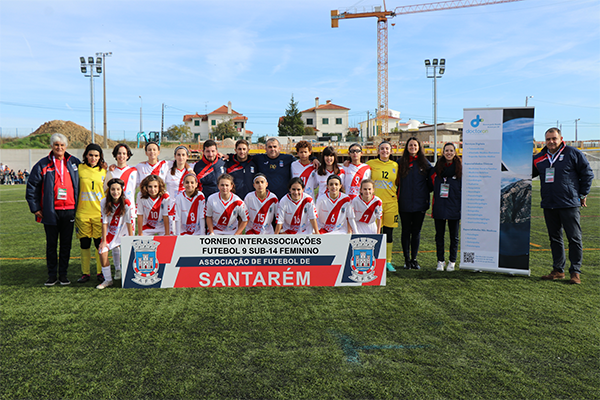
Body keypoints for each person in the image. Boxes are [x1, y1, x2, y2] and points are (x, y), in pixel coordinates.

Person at [534, 127, 594, 284]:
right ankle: (558, 270)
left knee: (574, 238)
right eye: (548, 139)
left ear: (561, 139)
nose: (551, 142)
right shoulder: (539, 157)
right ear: (544, 141)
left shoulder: (573, 153)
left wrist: (582, 194)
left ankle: (575, 272)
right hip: (549, 203)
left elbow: (587, 173)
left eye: (554, 138)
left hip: (569, 203)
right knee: (555, 238)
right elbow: (525, 172)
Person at [26, 133, 80, 286]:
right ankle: (51, 275)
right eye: (56, 145)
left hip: (69, 210)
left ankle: (63, 275)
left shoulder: (74, 162)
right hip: (50, 211)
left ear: (66, 146)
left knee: (66, 244)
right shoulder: (43, 164)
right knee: (51, 245)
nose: (59, 147)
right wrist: (35, 208)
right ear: (51, 146)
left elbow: (90, 171)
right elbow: (32, 187)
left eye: (62, 145)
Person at [396, 137, 432, 270]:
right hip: (404, 203)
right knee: (406, 231)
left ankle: (414, 259)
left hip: (420, 203)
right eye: (410, 145)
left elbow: (433, 179)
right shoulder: (400, 162)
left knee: (416, 232)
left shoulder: (425, 163)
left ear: (419, 147)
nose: (413, 147)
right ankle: (406, 260)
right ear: (407, 147)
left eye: (415, 145)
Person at [75, 143, 107, 283]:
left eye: (96, 156)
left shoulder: (104, 171)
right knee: (84, 244)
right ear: (86, 156)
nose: (93, 158)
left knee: (99, 244)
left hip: (99, 213)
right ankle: (85, 273)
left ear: (100, 157)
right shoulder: (79, 169)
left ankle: (100, 272)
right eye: (91, 155)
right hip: (82, 213)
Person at [367, 141, 398, 272]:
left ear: (391, 151)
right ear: (378, 150)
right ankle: (373, 259)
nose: (385, 151)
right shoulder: (370, 164)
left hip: (391, 203)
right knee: (375, 232)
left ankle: (388, 261)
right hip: (375, 204)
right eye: (382, 149)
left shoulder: (396, 165)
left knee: (389, 233)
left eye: (387, 149)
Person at [97, 178, 134, 289]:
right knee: (102, 252)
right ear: (109, 190)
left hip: (123, 231)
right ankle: (108, 280)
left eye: (118, 189)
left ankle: (126, 274)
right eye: (113, 189)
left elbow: (128, 222)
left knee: (127, 254)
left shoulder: (126, 202)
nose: (115, 192)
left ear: (122, 190)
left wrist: (131, 239)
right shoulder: (104, 201)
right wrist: (104, 241)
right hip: (110, 232)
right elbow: (104, 222)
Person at [430, 143, 462, 272]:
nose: (449, 153)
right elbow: (430, 184)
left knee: (454, 236)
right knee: (439, 236)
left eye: (451, 151)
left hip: (454, 206)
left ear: (455, 152)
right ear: (443, 152)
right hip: (440, 206)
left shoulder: (460, 168)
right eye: (446, 151)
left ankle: (452, 261)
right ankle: (440, 261)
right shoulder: (437, 168)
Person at [165, 146, 194, 234]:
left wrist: (189, 169)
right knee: (172, 233)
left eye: (183, 155)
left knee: (186, 232)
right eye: (178, 155)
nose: (181, 157)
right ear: (175, 156)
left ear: (187, 156)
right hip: (171, 207)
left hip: (186, 206)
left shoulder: (192, 167)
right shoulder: (168, 167)